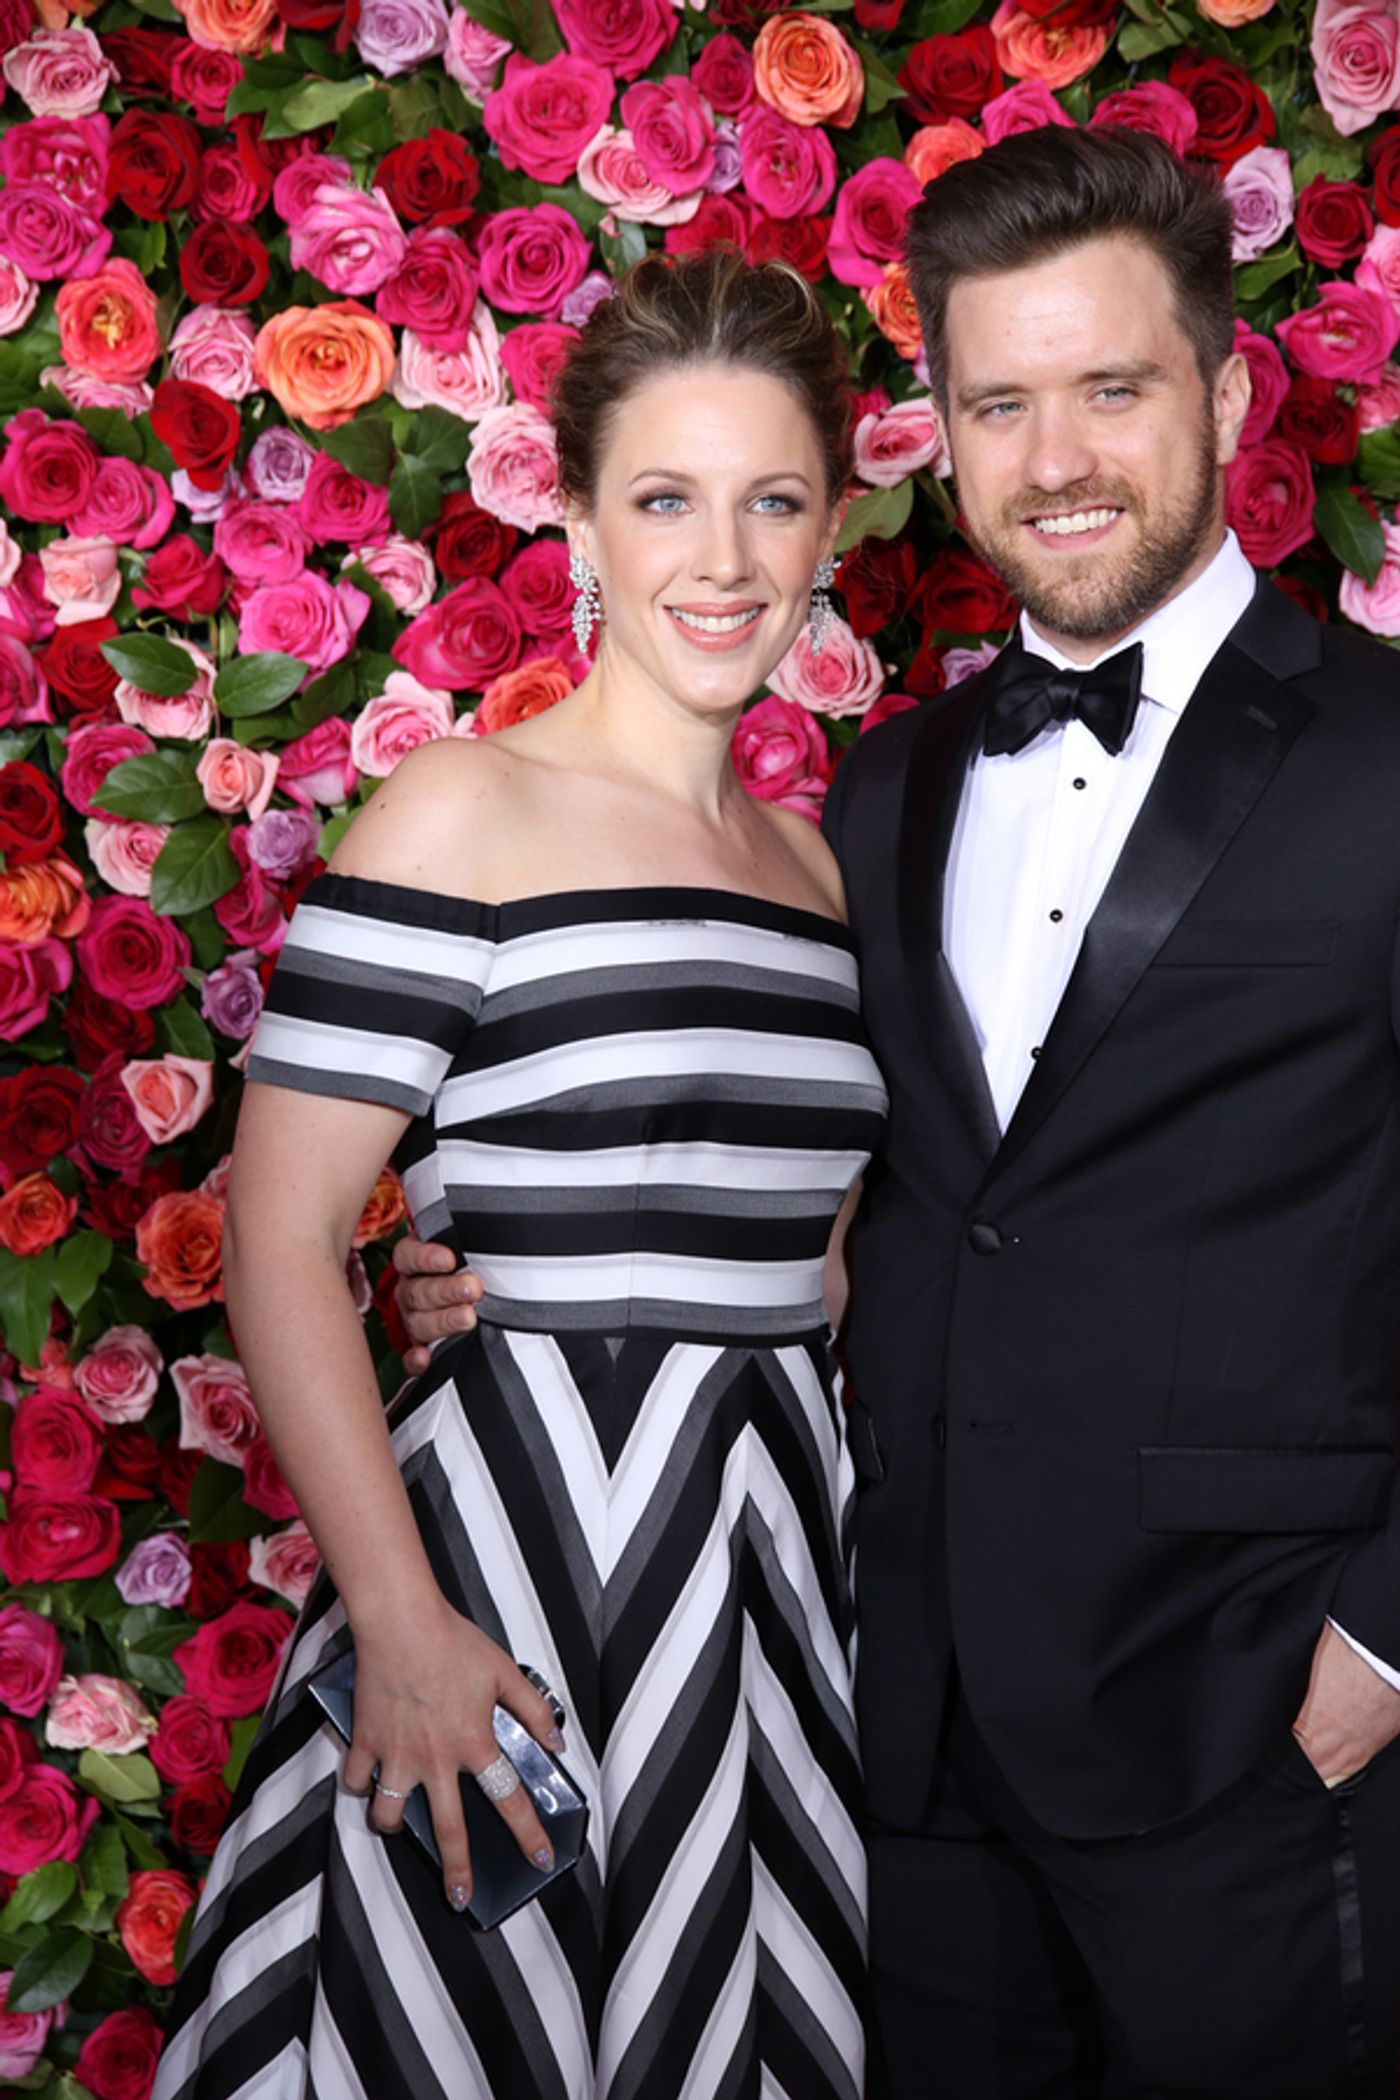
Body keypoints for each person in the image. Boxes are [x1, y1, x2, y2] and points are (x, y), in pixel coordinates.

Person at [397, 130, 1400, 2097]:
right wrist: (507, 1266)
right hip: (898, 1718)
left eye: (1109, 388)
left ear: (1219, 390)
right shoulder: (881, 788)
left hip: (1251, 1714)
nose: (1056, 459)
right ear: (937, 437)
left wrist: (1383, 1642)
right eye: (996, 403)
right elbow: (861, 1188)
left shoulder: (1389, 757)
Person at [150, 248, 886, 2100]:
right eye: (663, 498)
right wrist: (396, 1628)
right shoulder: (466, 806)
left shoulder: (819, 861)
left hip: (772, 1582)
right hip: (500, 1570)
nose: (720, 558)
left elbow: (822, 1264)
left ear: (833, 526)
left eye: (770, 498)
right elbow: (281, 1235)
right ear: (574, 514)